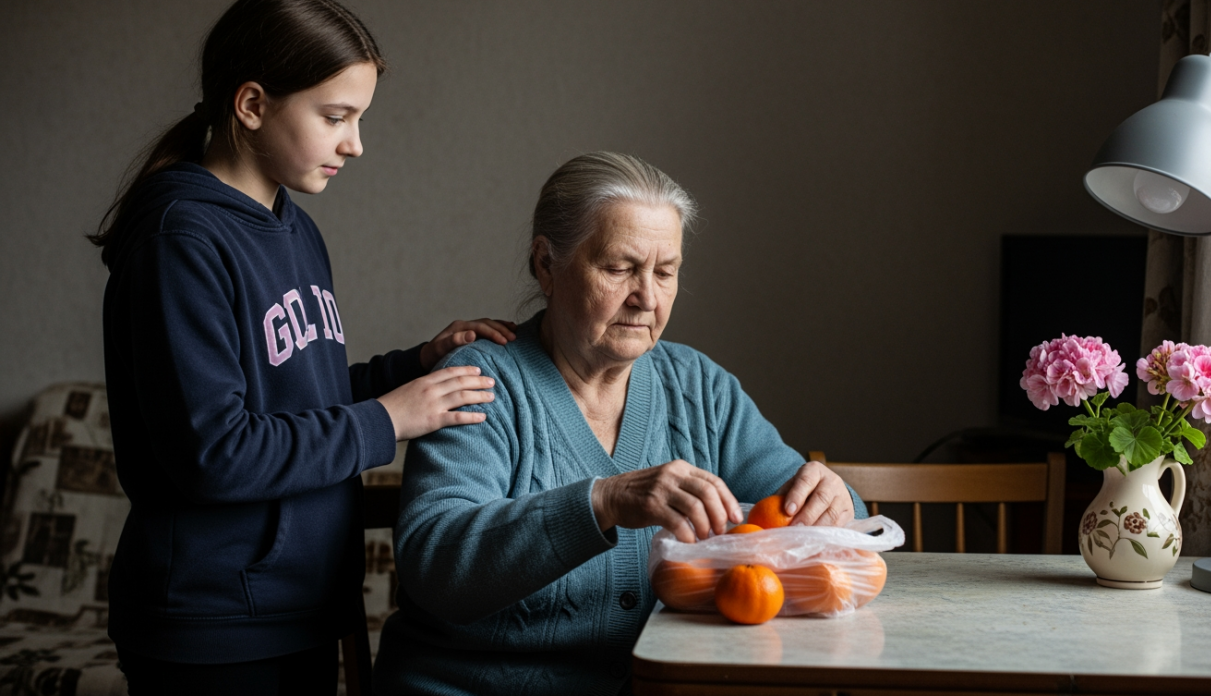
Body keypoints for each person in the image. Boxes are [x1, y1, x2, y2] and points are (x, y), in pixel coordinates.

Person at [89, 1, 513, 693]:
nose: (356, 144)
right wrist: (389, 420)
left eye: (359, 119)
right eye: (336, 116)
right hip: (214, 628)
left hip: (300, 608)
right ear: (253, 104)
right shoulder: (181, 241)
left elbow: (296, 398)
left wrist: (411, 368)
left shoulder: (295, 228)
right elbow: (215, 454)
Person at [372, 152, 867, 695]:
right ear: (546, 264)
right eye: (619, 268)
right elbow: (436, 562)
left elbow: (815, 515)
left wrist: (834, 501)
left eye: (665, 271)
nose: (647, 298)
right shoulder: (480, 381)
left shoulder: (699, 387)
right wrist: (602, 501)